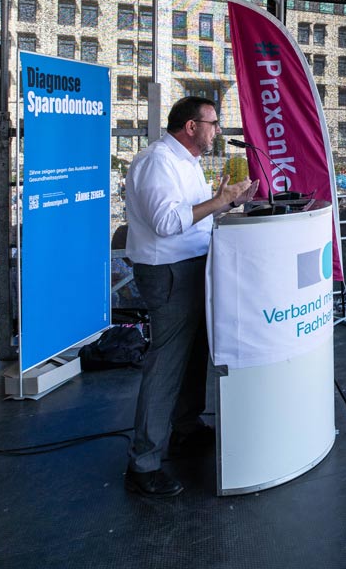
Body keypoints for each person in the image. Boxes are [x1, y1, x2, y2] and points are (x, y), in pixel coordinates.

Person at [123, 96, 254, 497]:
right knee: (167, 362)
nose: (218, 130)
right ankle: (144, 463)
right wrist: (220, 200)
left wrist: (227, 204)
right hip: (168, 274)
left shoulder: (187, 163)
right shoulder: (157, 162)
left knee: (195, 351)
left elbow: (193, 217)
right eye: (212, 123)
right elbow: (166, 223)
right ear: (191, 126)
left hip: (193, 266)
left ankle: (186, 427)